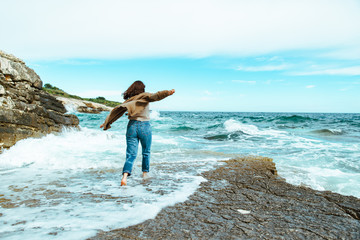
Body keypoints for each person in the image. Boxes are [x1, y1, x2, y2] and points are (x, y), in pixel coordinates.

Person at [100, 80, 175, 186]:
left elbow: (118, 112)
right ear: (142, 89)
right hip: (144, 126)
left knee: (130, 154)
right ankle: (144, 174)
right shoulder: (145, 95)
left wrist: (106, 123)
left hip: (131, 126)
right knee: (146, 152)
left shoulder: (129, 101)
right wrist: (167, 92)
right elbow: (156, 96)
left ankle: (124, 177)